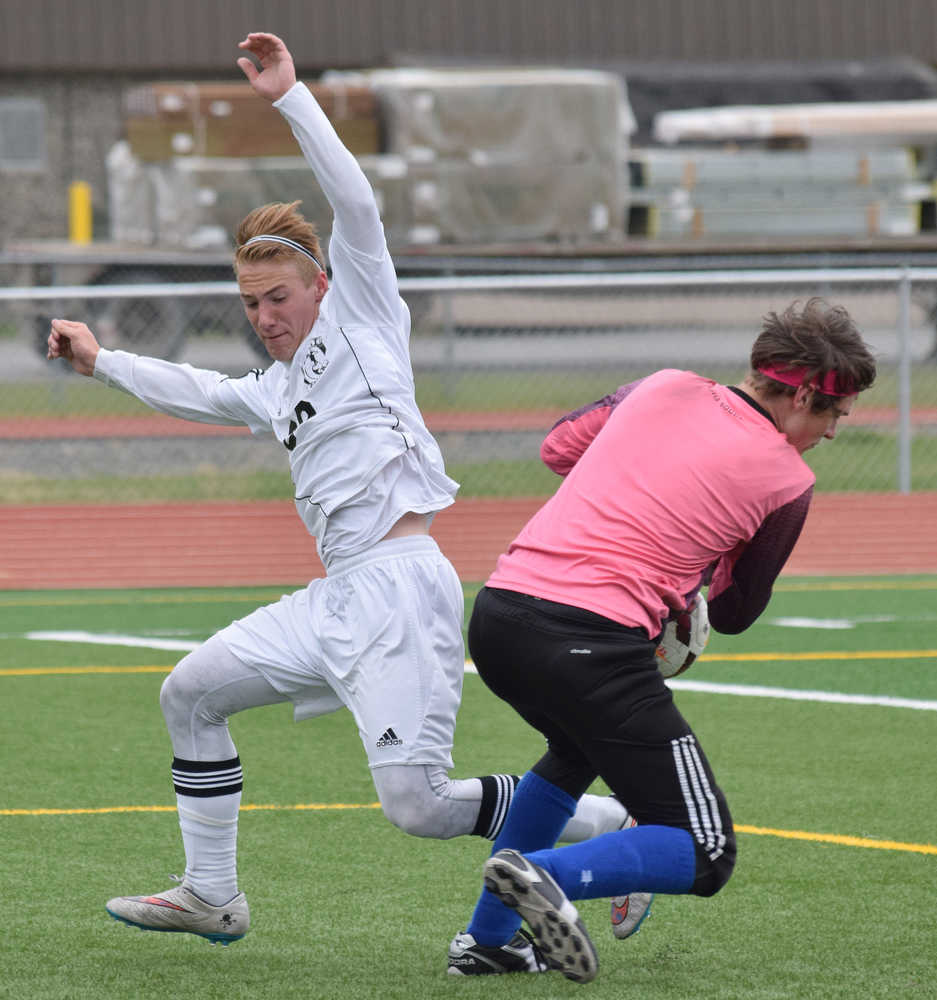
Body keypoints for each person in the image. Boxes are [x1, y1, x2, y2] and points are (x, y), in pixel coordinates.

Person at [46, 32, 626, 948]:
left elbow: (353, 199)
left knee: (420, 807)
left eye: (278, 297)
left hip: (400, 585)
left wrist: (289, 97)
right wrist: (103, 361)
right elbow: (201, 392)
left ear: (319, 283)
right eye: (250, 303)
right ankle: (212, 895)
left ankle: (608, 832)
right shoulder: (278, 387)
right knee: (188, 696)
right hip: (339, 597)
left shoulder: (365, 315)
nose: (265, 317)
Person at [447, 298, 877, 983]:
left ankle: (488, 943)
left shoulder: (662, 384)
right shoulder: (788, 483)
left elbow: (559, 446)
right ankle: (541, 873)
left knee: (572, 752)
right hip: (589, 641)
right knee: (705, 851)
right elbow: (735, 613)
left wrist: (640, 485)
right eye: (834, 414)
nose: (829, 433)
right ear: (800, 396)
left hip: (499, 615)